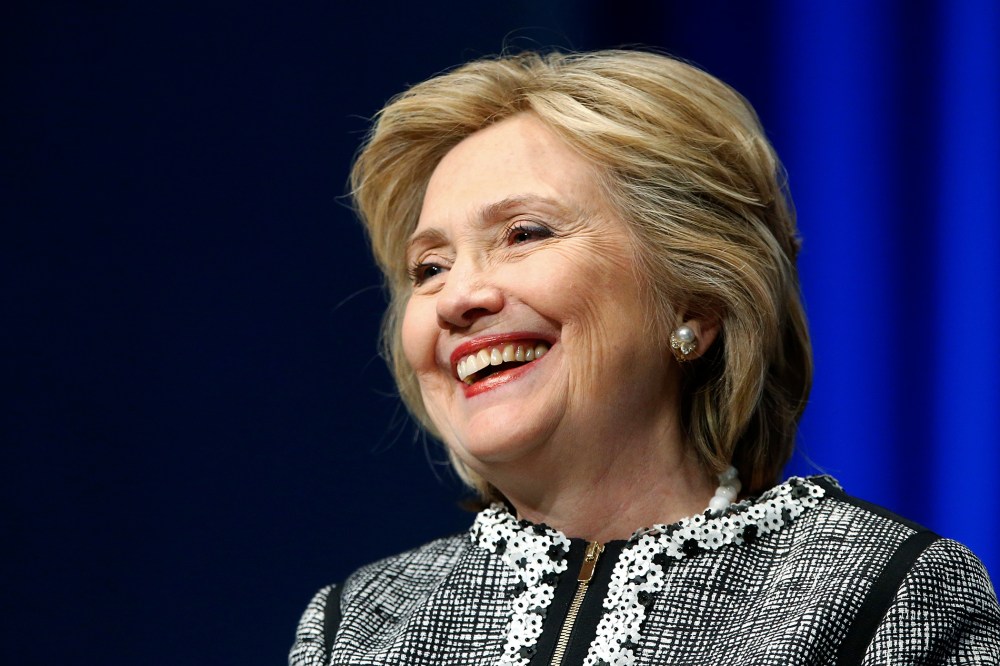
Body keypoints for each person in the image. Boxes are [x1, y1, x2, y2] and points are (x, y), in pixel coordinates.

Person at [290, 49, 1000, 665]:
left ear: (695, 301)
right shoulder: (357, 625)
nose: (457, 298)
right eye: (429, 267)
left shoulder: (879, 595)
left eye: (525, 232)